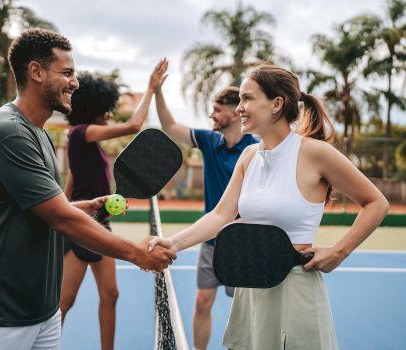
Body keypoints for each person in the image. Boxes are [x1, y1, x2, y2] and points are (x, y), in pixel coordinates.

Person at [0, 28, 175, 350]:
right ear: (36, 72)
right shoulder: (9, 132)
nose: (75, 82)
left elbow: (44, 207)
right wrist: (136, 253)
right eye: (66, 72)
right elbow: (61, 219)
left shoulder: (39, 134)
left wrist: (89, 205)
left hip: (41, 311)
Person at [149, 63, 389, 350]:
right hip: (251, 288)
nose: (239, 108)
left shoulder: (316, 153)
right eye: (240, 100)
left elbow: (376, 202)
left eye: (248, 98)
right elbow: (220, 215)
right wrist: (172, 243)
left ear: (276, 104)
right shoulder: (249, 156)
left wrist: (339, 251)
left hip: (295, 288)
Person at [149, 58, 258, 349]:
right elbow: (170, 125)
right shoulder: (210, 141)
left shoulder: (257, 149)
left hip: (244, 244)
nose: (211, 115)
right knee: (201, 302)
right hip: (210, 241)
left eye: (217, 110)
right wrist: (158, 91)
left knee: (246, 312)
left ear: (236, 113)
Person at [60, 64, 166, 350]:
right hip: (82, 229)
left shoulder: (84, 143)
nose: (108, 114)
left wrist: (101, 206)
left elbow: (72, 181)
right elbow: (134, 126)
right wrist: (151, 88)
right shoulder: (80, 133)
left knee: (110, 295)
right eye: (105, 108)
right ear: (92, 108)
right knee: (64, 303)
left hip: (100, 223)